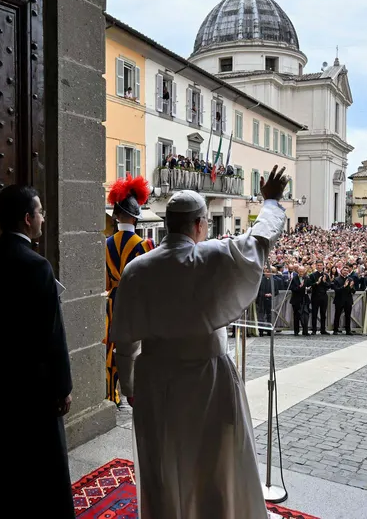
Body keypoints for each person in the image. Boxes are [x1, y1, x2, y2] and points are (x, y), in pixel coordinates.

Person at [110, 166, 290, 519]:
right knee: (214, 459)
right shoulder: (212, 257)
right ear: (199, 225)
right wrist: (270, 200)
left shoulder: (137, 269)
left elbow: (126, 340)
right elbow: (259, 240)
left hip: (155, 377)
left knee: (163, 460)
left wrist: (129, 385)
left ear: (166, 225)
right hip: (207, 378)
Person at [0, 184, 73, 517]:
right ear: (28, 219)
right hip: (34, 381)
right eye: (40, 212)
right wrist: (63, 387)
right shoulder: (37, 266)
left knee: (1, 450)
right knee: (40, 459)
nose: (42, 218)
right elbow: (53, 335)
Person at [104, 173, 154, 405]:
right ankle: (131, 391)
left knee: (109, 348)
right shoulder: (145, 245)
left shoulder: (105, 244)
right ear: (135, 219)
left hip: (111, 301)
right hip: (134, 303)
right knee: (133, 350)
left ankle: (109, 392)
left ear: (115, 217)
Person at [332, 265, 358, 335]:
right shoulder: (336, 279)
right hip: (339, 300)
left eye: (347, 271)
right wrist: (344, 286)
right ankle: (335, 330)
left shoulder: (350, 279)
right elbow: (337, 290)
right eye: (344, 270)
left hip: (348, 300)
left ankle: (348, 330)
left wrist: (351, 287)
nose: (346, 272)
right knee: (337, 315)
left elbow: (353, 291)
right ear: (341, 271)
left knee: (348, 316)